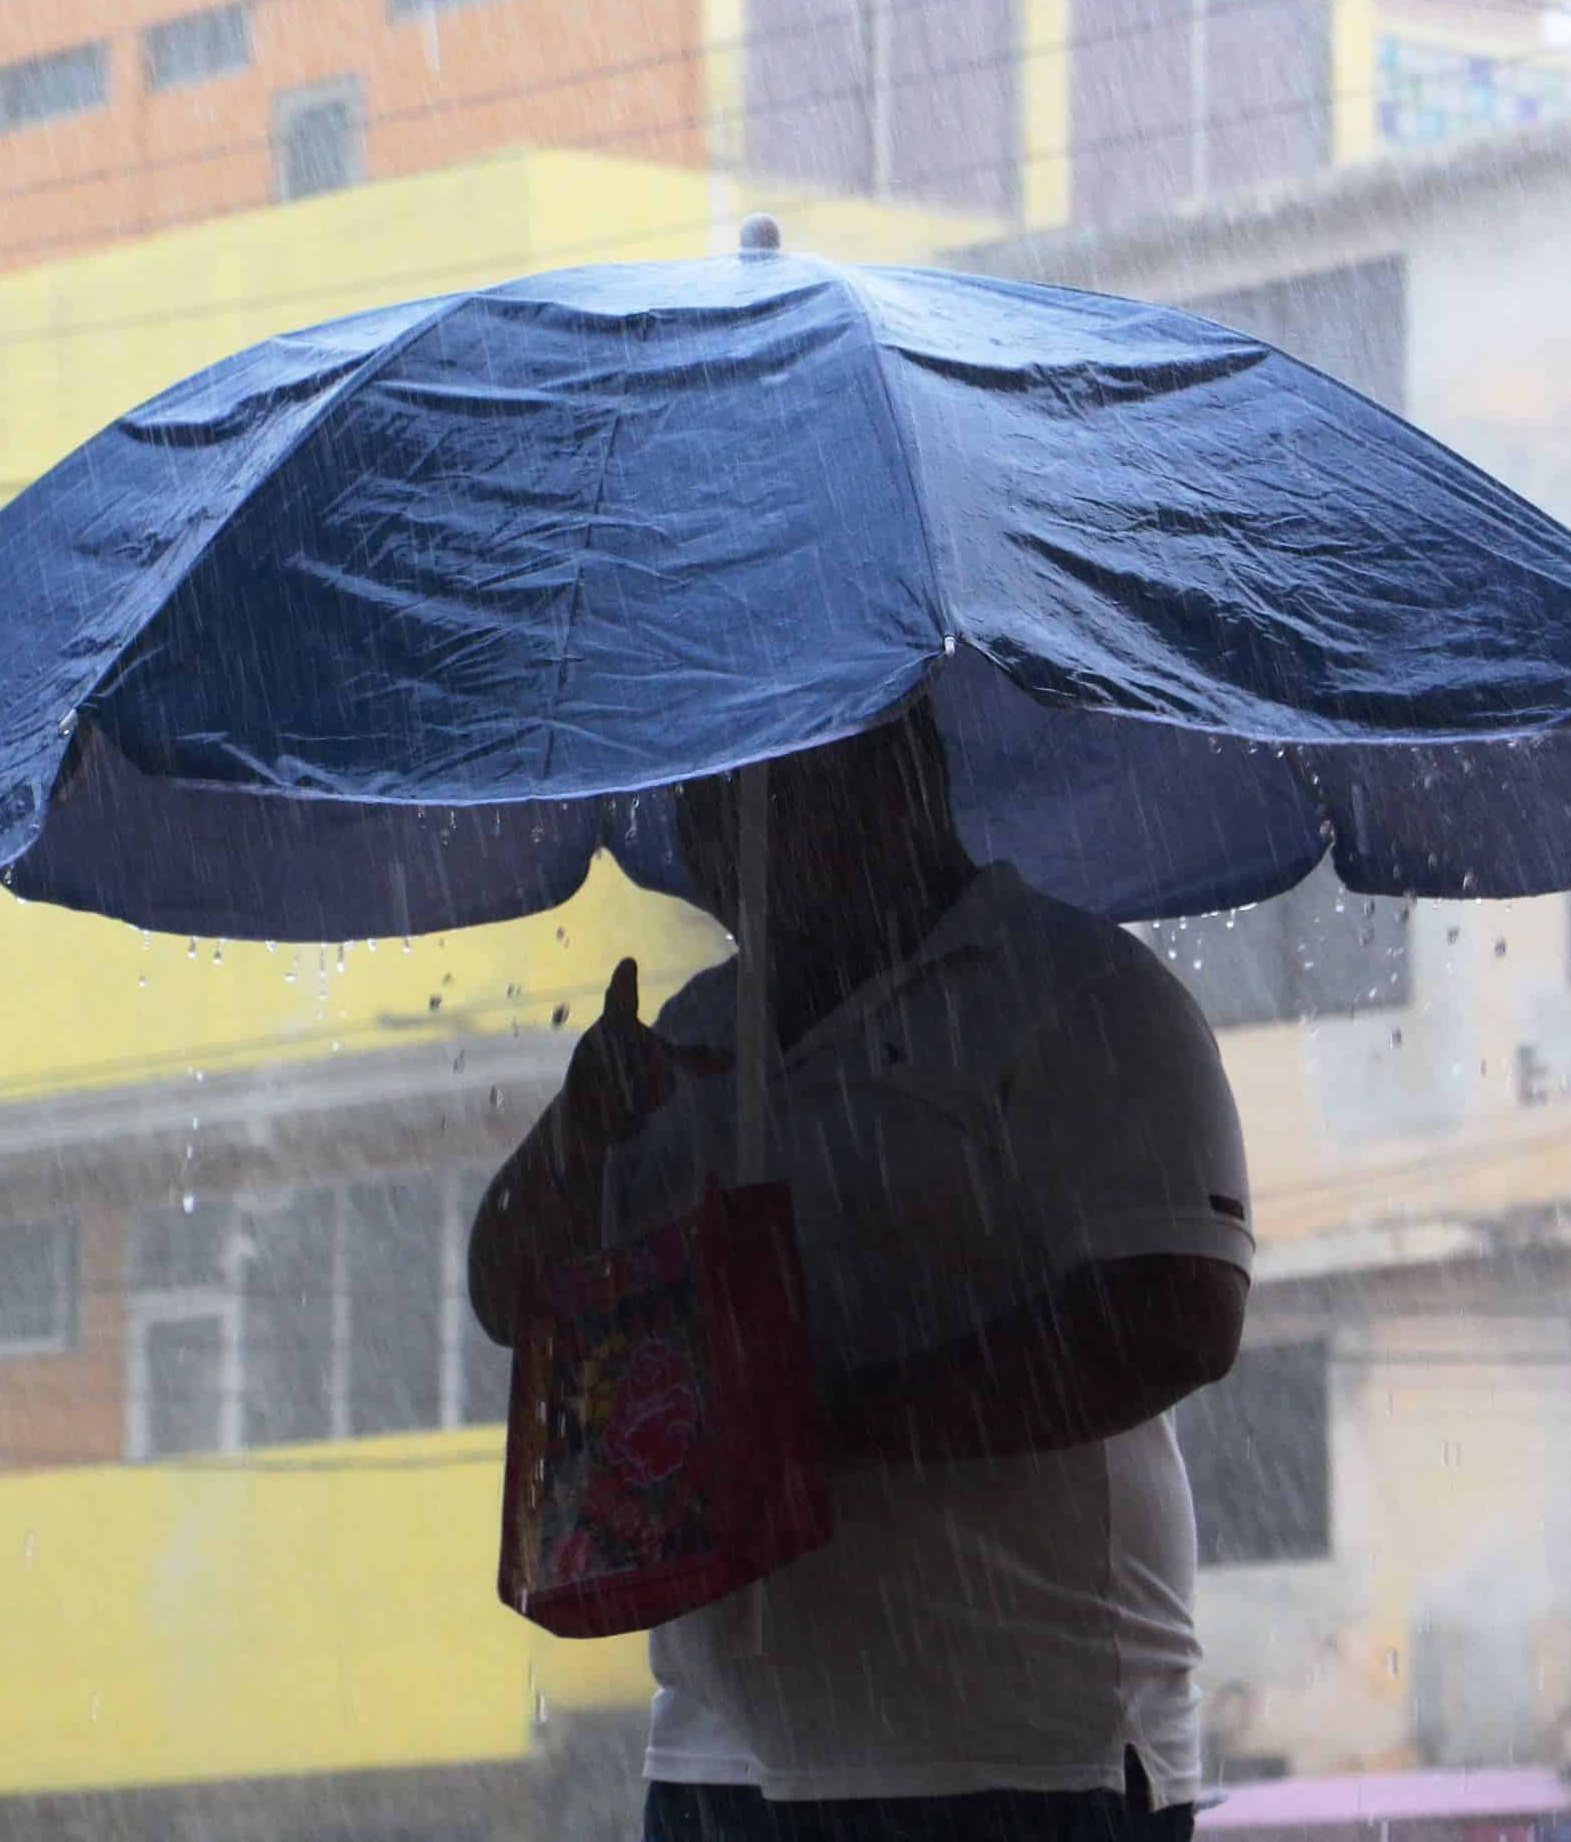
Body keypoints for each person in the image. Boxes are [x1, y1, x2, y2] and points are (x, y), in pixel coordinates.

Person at [468, 699, 1253, 1842]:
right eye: (704, 788)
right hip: (721, 1763)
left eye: (757, 786)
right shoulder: (683, 1040)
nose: (704, 830)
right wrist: (582, 1126)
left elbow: (1176, 1316)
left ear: (903, 781)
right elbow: (509, 1297)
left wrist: (823, 1427)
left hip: (1024, 1759)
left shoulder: (1080, 997)